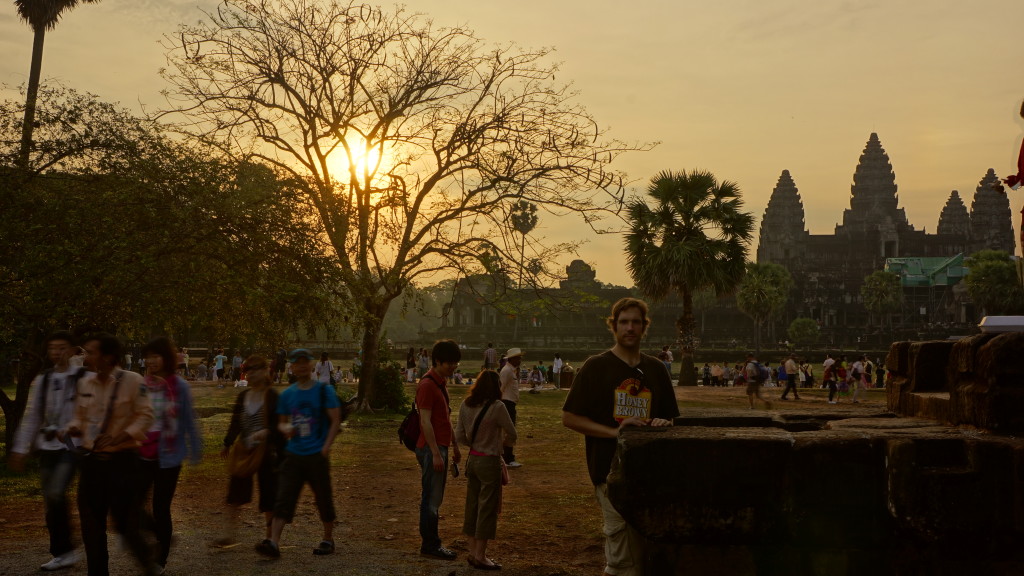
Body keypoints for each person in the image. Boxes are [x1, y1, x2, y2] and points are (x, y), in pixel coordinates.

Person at [562, 297, 678, 576]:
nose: (629, 328)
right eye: (623, 322)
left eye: (635, 322)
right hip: (609, 472)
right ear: (613, 326)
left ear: (644, 327)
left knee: (646, 553)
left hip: (650, 473)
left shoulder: (656, 370)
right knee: (621, 558)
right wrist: (615, 432)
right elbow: (570, 418)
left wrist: (663, 422)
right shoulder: (596, 366)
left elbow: (669, 416)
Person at [65, 333, 157, 576]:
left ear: (108, 357)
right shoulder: (85, 383)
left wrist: (122, 435)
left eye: (91, 352)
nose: (86, 356)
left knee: (125, 525)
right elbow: (79, 415)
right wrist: (73, 426)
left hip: (123, 463)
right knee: (91, 526)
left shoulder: (133, 381)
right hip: (92, 463)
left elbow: (146, 415)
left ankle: (148, 559)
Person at [9, 331, 89, 571]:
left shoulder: (84, 376)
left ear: (73, 349)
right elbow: (33, 417)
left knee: (56, 493)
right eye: (53, 347)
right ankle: (63, 552)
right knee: (51, 500)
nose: (57, 352)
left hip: (74, 446)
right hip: (48, 447)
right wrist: (20, 448)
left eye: (62, 347)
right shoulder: (44, 380)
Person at [256, 349, 340, 558]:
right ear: (291, 367)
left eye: (305, 362)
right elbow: (282, 423)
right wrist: (286, 429)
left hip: (316, 454)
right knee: (283, 498)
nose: (301, 366)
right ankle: (274, 543)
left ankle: (328, 538)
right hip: (294, 454)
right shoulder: (287, 395)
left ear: (311, 365)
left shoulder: (323, 391)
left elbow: (336, 420)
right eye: (297, 363)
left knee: (323, 498)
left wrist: (326, 446)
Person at [137, 337, 203, 573]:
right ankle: (162, 534)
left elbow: (188, 419)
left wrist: (196, 449)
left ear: (166, 358)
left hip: (169, 456)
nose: (151, 361)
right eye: (148, 356)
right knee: (133, 505)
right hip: (142, 453)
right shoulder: (143, 384)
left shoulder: (179, 386)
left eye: (156, 356)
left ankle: (160, 558)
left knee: (160, 507)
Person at [454, 370, 517, 571]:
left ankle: (473, 552)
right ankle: (481, 555)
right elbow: (512, 432)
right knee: (487, 508)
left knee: (472, 505)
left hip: (472, 459)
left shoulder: (466, 405)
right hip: (489, 461)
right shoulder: (497, 407)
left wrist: (474, 443)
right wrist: (501, 443)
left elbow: (459, 435)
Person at [219, 355, 284, 546]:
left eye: (257, 369)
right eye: (249, 369)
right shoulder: (243, 396)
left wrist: (266, 433)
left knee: (268, 495)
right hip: (244, 449)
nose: (253, 373)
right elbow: (236, 423)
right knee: (235, 493)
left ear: (266, 371)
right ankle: (229, 534)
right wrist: (227, 442)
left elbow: (279, 425)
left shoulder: (272, 396)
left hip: (267, 452)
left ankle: (269, 536)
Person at [415, 340, 463, 561]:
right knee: (432, 498)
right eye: (449, 363)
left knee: (436, 496)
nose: (453, 367)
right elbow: (425, 421)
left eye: (455, 363)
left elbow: (444, 419)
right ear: (437, 361)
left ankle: (431, 542)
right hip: (431, 448)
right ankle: (431, 544)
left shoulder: (440, 383)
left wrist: (453, 445)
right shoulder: (427, 385)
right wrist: (435, 452)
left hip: (441, 446)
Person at [499, 348, 523, 468]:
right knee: (509, 432)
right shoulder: (507, 371)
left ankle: (507, 457)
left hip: (510, 403)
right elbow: (501, 388)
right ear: (512, 359)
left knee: (509, 432)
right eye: (518, 358)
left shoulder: (511, 370)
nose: (520, 360)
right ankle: (507, 458)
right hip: (507, 403)